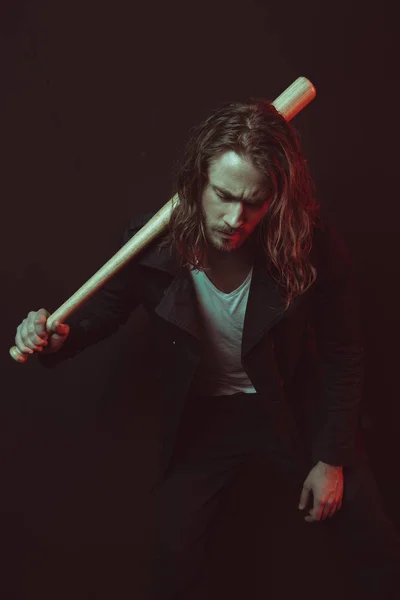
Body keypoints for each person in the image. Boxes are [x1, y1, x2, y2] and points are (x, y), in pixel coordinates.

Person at [14, 100, 400, 599]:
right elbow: (96, 319)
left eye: (255, 202)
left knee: (375, 545)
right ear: (198, 180)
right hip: (206, 420)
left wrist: (331, 457)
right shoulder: (149, 247)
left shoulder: (309, 245)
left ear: (275, 200)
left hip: (292, 409)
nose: (235, 218)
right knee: (174, 563)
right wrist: (56, 335)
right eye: (223, 194)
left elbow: (344, 352)